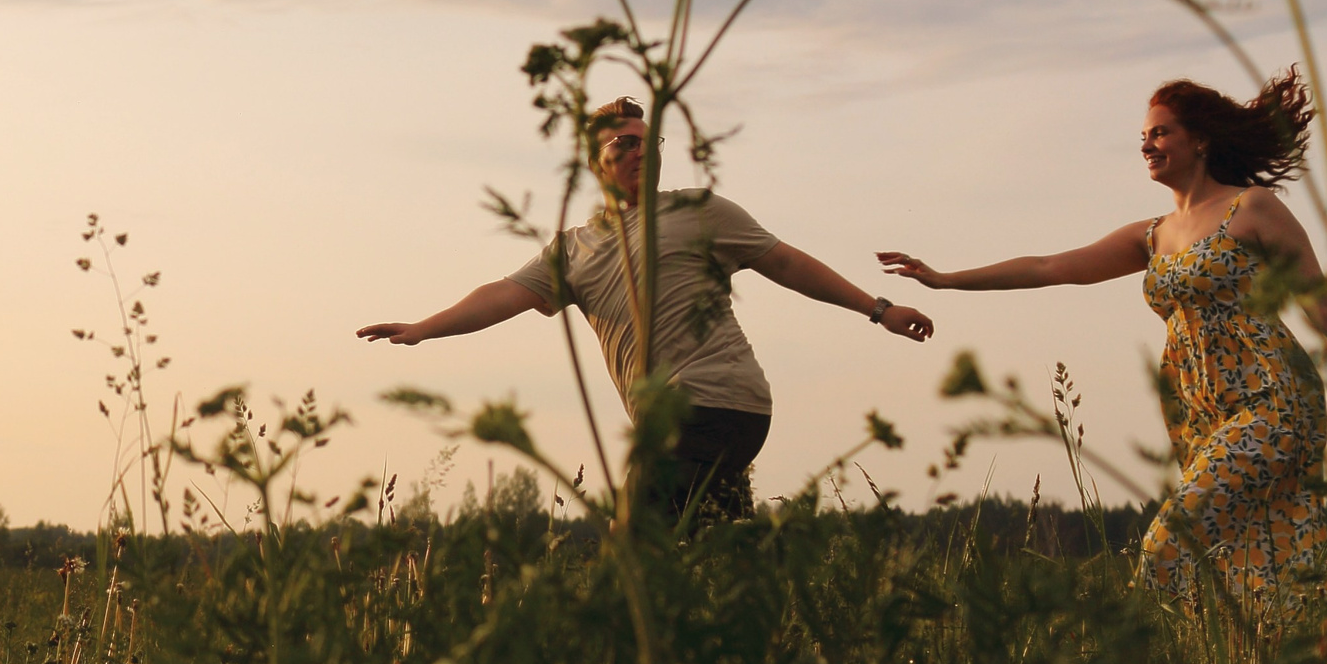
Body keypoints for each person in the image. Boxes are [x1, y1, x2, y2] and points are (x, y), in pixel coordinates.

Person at [878, 69, 1327, 605]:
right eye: (1144, 135)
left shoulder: (1252, 208)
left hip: (1272, 403)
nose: (1147, 144)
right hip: (1204, 414)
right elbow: (1050, 266)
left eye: (1161, 133)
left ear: (1201, 140)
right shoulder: (1153, 235)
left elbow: (1324, 305)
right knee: (1250, 561)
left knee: (1168, 544)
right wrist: (946, 278)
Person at [360, 97, 935, 525]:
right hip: (669, 420)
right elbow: (505, 295)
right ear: (596, 163)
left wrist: (877, 307)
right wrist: (424, 329)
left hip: (716, 402)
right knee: (712, 548)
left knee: (635, 545)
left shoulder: (700, 211)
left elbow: (784, 263)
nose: (639, 151)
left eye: (648, 142)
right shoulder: (573, 249)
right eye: (623, 144)